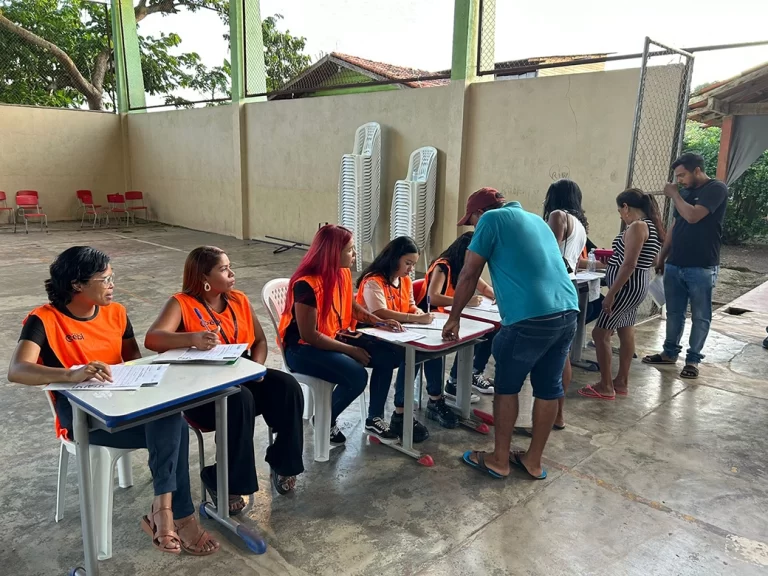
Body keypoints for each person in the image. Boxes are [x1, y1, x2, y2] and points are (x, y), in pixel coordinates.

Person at [7, 247, 218, 556]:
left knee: (172, 417)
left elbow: (134, 364)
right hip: (82, 416)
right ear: (77, 284)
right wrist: (72, 374)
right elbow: (17, 370)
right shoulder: (44, 319)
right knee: (173, 428)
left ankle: (164, 512)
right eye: (105, 279)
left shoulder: (116, 312)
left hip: (123, 403)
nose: (112, 285)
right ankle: (178, 517)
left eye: (112, 278)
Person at [145, 246, 305, 506]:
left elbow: (261, 341)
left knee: (287, 386)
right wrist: (191, 338)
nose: (231, 273)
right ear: (204, 278)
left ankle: (283, 461)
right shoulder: (181, 303)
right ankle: (222, 478)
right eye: (223, 269)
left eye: (230, 267)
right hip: (201, 389)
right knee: (239, 399)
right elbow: (153, 339)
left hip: (241, 372)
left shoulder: (239, 299)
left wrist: (257, 367)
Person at [444, 198, 579, 480]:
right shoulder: (537, 221)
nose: (474, 228)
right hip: (567, 310)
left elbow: (469, 273)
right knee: (549, 387)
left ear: (481, 212)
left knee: (506, 387)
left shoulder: (491, 220)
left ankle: (499, 460)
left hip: (528, 317)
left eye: (472, 221)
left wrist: (454, 317)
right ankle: (533, 461)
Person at [279, 225, 402, 446]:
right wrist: (351, 350)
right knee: (356, 375)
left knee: (389, 354)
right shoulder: (306, 285)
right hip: (302, 348)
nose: (354, 255)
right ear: (332, 253)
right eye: (350, 250)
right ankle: (326, 419)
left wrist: (377, 321)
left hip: (334, 336)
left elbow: (351, 306)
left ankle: (374, 418)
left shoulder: (341, 273)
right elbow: (310, 335)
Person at [356, 237, 459, 438]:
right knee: (408, 354)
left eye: (413, 264)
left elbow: (409, 304)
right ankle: (399, 411)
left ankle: (434, 398)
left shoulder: (404, 280)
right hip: (371, 334)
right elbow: (380, 312)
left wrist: (419, 314)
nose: (411, 269)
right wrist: (414, 317)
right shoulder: (373, 281)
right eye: (408, 263)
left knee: (432, 349)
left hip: (398, 331)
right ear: (394, 259)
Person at [643, 153, 728, 380]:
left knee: (700, 315)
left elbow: (692, 216)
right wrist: (662, 256)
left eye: (682, 175)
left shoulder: (715, 189)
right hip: (675, 263)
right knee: (674, 312)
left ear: (697, 170)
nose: (679, 180)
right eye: (677, 177)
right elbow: (676, 225)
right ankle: (669, 353)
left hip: (701, 265)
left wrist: (674, 195)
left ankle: (693, 360)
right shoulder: (686, 192)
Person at [578, 189, 664, 400]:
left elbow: (629, 264)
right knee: (626, 331)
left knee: (600, 334)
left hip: (626, 286)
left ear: (626, 207)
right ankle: (621, 381)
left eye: (619, 210)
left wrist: (611, 293)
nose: (620, 215)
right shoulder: (652, 227)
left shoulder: (637, 226)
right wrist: (615, 261)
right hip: (637, 284)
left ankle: (605, 385)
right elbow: (648, 260)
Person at [415, 233, 496, 400]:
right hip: (433, 316)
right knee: (467, 335)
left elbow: (485, 288)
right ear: (464, 251)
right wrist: (464, 301)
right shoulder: (443, 266)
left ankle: (473, 372)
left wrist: (500, 298)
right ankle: (453, 383)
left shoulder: (467, 267)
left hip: (452, 314)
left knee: (490, 332)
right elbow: (433, 296)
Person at [543, 179, 588, 428]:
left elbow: (546, 253)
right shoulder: (580, 225)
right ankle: (558, 414)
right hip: (569, 287)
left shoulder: (557, 216)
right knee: (563, 354)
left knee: (550, 355)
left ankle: (544, 412)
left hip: (553, 287)